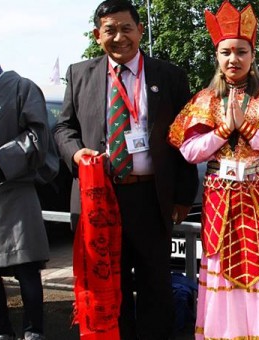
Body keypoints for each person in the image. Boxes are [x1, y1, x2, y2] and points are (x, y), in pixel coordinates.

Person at [53, 0, 198, 338]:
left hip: (152, 198)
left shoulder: (169, 75)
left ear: (140, 30)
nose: (119, 37)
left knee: (155, 287)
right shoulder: (79, 74)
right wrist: (76, 155)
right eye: (110, 30)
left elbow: (183, 137)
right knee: (107, 285)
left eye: (126, 28)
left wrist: (183, 195)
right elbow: (62, 129)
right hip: (100, 199)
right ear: (97, 34)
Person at [167, 2, 259, 339]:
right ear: (217, 56)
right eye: (226, 52)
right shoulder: (206, 98)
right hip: (221, 203)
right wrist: (223, 131)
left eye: (241, 51)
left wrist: (251, 132)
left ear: (252, 55)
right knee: (223, 266)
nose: (233, 59)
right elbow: (189, 151)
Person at [0, 64, 52, 340]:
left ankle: (33, 332)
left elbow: (38, 136)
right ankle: (2, 331)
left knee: (26, 268)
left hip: (16, 190)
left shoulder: (21, 86)